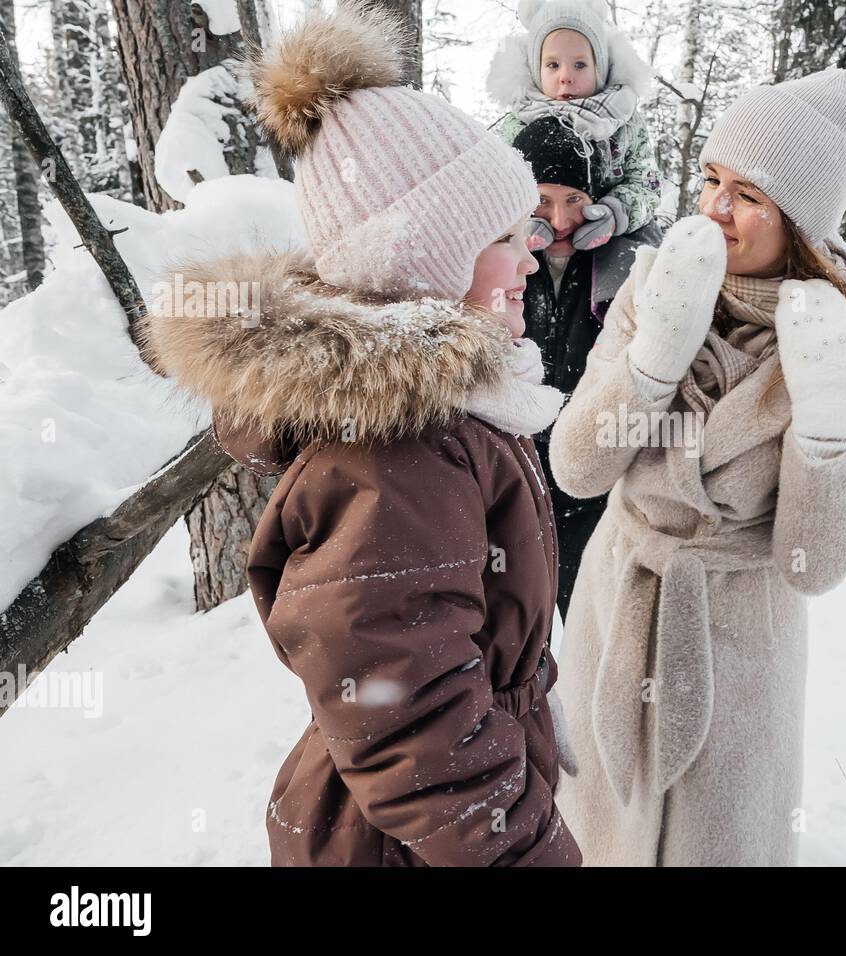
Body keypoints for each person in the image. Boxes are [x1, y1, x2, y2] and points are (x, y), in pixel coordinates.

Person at [143, 2, 581, 867]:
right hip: (400, 843)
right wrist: (527, 850)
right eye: (502, 236)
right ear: (421, 258)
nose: (532, 255)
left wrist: (528, 701)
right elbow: (409, 711)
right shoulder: (401, 455)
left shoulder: (459, 412)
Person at [547, 68, 846, 865]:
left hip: (742, 648)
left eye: (748, 193)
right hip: (620, 609)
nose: (714, 207)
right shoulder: (658, 285)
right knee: (593, 831)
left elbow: (814, 564)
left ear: (803, 222)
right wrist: (651, 360)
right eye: (712, 177)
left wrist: (824, 427)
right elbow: (574, 469)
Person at [512, 115, 662, 620]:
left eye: (574, 200)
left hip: (596, 484)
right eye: (542, 201)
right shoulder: (501, 263)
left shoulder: (620, 263)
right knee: (517, 641)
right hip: (516, 486)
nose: (559, 221)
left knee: (595, 626)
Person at [488, 0, 659, 252]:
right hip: (539, 232)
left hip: (605, 239)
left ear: (598, 67)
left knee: (635, 252)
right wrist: (522, 218)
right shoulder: (518, 121)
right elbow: (497, 184)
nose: (566, 76)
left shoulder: (622, 120)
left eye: (580, 64)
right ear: (536, 69)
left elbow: (646, 183)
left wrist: (615, 213)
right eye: (553, 65)